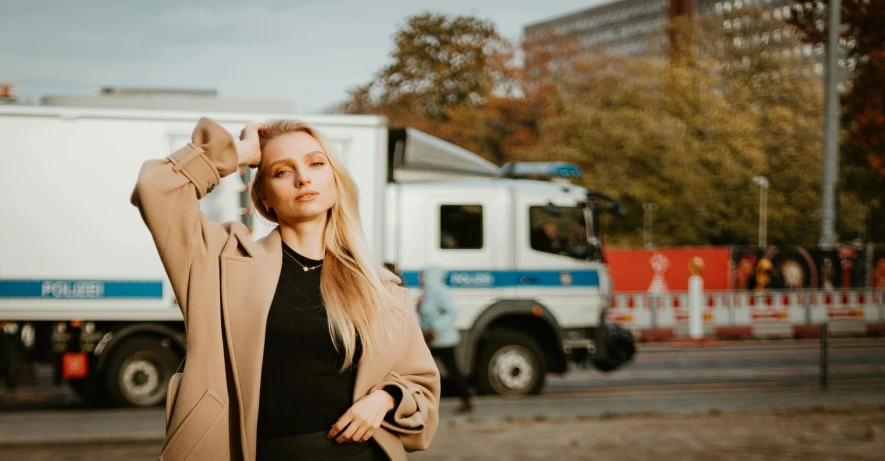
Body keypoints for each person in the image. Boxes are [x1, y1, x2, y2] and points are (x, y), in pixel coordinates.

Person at [131, 118, 440, 461]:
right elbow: (155, 187)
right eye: (281, 171)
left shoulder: (380, 287)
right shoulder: (222, 262)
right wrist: (240, 153)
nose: (303, 178)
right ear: (263, 195)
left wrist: (386, 398)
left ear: (335, 179)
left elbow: (422, 389)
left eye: (316, 164)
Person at [416, 266, 473, 413]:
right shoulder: (427, 292)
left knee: (451, 369)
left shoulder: (438, 291)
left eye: (423, 275)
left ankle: (466, 398)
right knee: (423, 368)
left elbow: (451, 311)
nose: (420, 278)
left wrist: (435, 327)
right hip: (431, 339)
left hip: (443, 339)